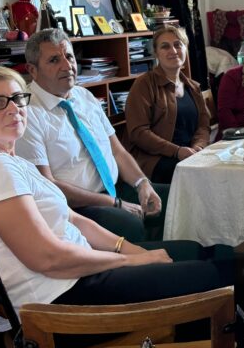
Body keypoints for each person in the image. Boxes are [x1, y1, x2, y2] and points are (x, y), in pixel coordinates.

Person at [0, 65, 224, 321]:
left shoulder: (10, 160)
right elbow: (48, 259)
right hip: (62, 300)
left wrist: (130, 249)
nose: (14, 109)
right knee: (215, 277)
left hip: (76, 272)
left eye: (18, 98)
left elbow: (73, 219)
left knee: (196, 251)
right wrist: (131, 260)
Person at [16, 29, 167, 242]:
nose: (67, 66)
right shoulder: (27, 114)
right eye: (54, 60)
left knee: (175, 198)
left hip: (115, 189)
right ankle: (152, 259)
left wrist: (142, 183)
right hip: (78, 207)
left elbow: (117, 151)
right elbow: (47, 185)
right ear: (33, 70)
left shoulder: (84, 95)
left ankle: (184, 256)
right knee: (129, 224)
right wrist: (114, 203)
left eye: (69, 57)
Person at [124, 25, 211, 184]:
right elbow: (138, 132)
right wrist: (177, 151)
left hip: (190, 155)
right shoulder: (144, 84)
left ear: (185, 49)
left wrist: (198, 147)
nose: (173, 50)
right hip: (155, 160)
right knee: (200, 178)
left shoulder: (193, 87)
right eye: (165, 46)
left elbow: (203, 125)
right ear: (156, 53)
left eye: (178, 44)